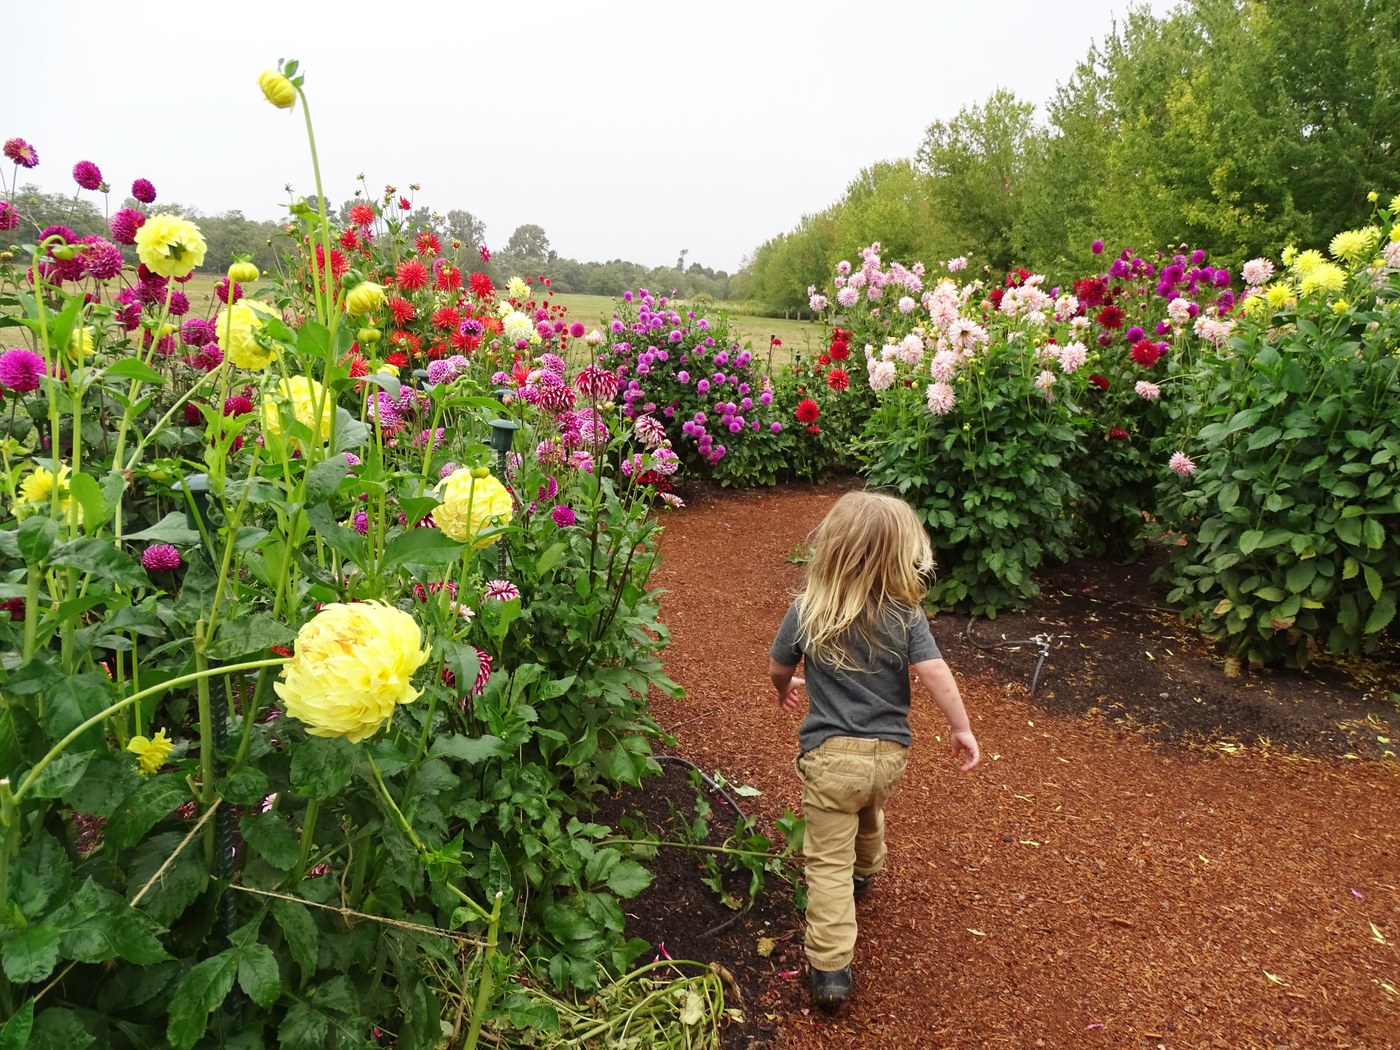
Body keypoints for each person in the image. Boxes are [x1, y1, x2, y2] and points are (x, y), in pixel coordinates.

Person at [768, 490, 981, 1010]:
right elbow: (934, 672)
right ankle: (868, 870)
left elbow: (777, 666)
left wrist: (785, 686)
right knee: (869, 805)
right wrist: (962, 728)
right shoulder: (905, 616)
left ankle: (831, 968)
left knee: (826, 865)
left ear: (833, 547)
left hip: (828, 758)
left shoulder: (808, 609)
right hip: (888, 757)